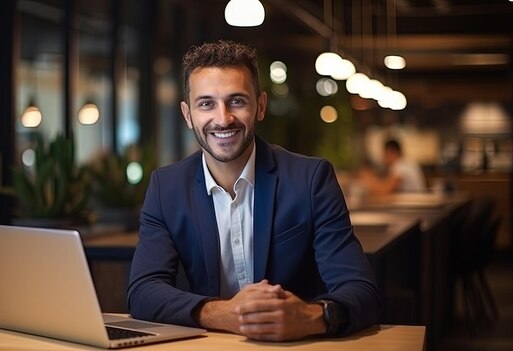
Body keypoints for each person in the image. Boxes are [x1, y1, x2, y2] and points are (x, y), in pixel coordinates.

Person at [127, 40, 380, 342]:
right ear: (187, 114)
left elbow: (362, 291)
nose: (222, 119)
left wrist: (312, 318)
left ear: (260, 106)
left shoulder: (311, 179)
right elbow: (142, 291)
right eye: (206, 103)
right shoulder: (166, 188)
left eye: (237, 101)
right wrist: (223, 314)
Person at [358, 139, 426, 194]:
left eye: (385, 153)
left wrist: (368, 178)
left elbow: (384, 190)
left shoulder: (401, 165)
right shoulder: (406, 162)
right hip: (413, 204)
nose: (382, 157)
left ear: (392, 152)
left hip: (414, 206)